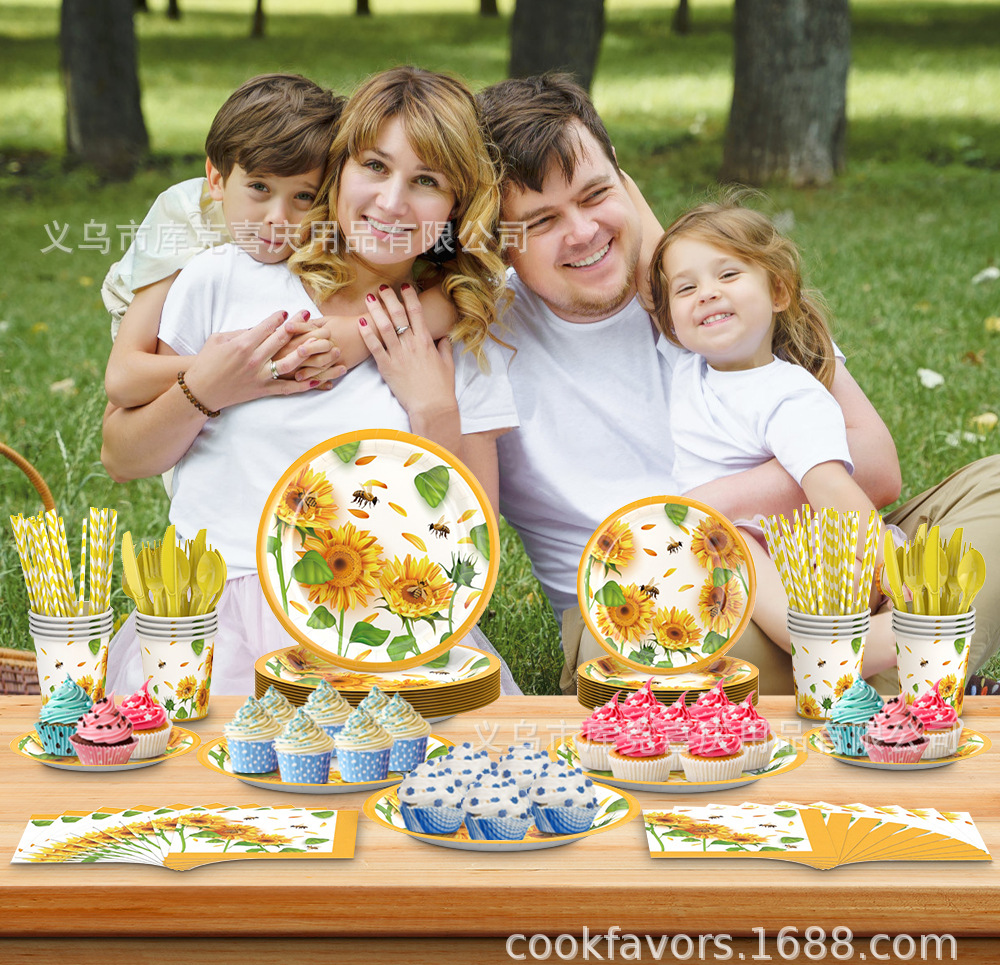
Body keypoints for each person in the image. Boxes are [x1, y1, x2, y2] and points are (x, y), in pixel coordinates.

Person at [471, 73, 1000, 696]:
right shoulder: (481, 338)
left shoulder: (715, 290)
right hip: (658, 603)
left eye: (595, 194)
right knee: (644, 652)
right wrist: (696, 523)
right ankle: (911, 669)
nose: (584, 232)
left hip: (826, 552)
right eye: (543, 220)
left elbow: (879, 469)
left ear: (624, 179)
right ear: (500, 240)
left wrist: (718, 502)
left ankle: (874, 668)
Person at [101, 66, 517, 696]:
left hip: (384, 625)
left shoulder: (461, 332)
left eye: (426, 182)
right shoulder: (224, 280)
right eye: (374, 167)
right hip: (224, 616)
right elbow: (121, 456)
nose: (392, 202)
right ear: (337, 169)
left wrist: (433, 410)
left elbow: (466, 550)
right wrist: (204, 389)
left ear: (457, 205)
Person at [647, 198, 892, 672]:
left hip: (814, 565)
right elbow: (651, 266)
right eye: (687, 287)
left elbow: (834, 491)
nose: (706, 294)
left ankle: (830, 649)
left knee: (728, 542)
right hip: (759, 558)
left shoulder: (786, 395)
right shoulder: (689, 366)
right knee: (721, 543)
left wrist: (888, 575)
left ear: (778, 292)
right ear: (671, 321)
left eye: (729, 275)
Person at [103, 73, 346, 411]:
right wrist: (248, 365)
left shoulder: (339, 226)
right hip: (181, 379)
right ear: (217, 180)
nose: (277, 217)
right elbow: (124, 378)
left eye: (303, 196)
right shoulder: (187, 217)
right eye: (260, 187)